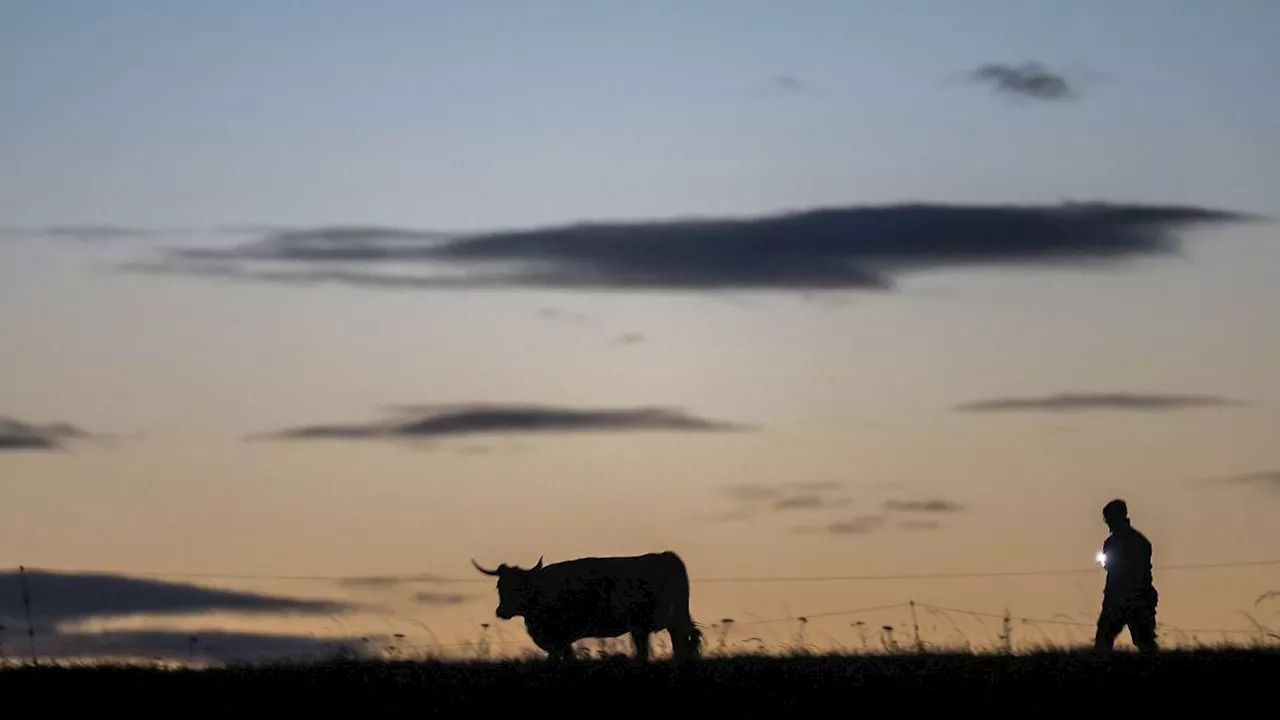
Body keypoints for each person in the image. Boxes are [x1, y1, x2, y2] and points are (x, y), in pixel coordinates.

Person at [1094, 499, 1159, 656]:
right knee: (1143, 642)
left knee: (1107, 640)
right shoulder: (1140, 541)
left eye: (1108, 518)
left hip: (1127, 597)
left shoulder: (1116, 543)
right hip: (1135, 597)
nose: (1107, 522)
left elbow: (1112, 566)